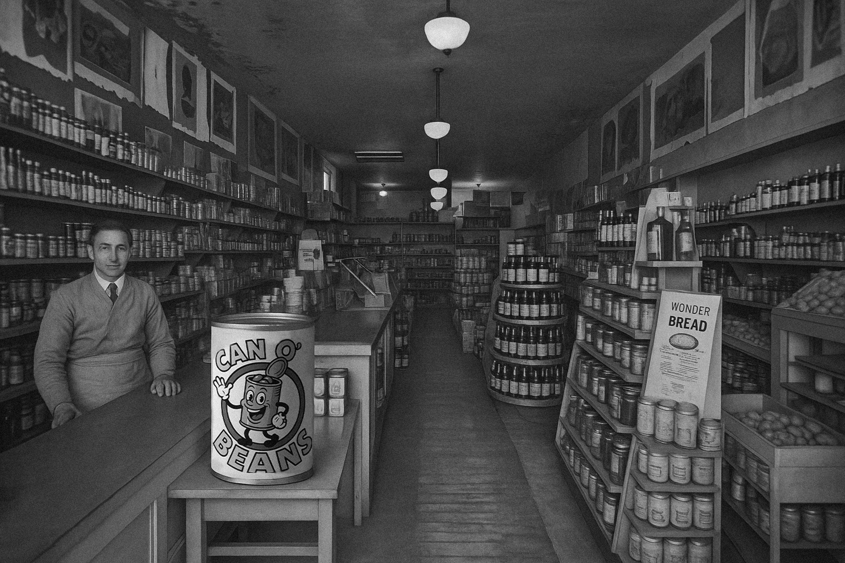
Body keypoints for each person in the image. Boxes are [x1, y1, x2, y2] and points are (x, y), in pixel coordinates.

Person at [35, 220, 180, 427]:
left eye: (120, 248)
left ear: (130, 252)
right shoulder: (66, 297)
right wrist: (61, 404)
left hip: (143, 396)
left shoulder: (144, 291)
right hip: (84, 408)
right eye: (104, 248)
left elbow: (161, 342)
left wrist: (164, 374)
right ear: (91, 252)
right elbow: (48, 360)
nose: (113, 257)